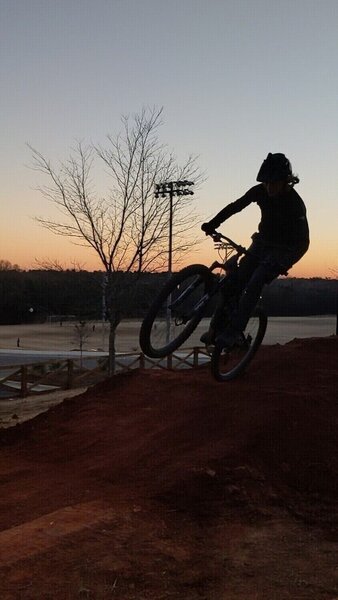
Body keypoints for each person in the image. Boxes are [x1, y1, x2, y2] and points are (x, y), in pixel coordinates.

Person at [201, 153, 310, 348]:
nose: (269, 188)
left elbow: (303, 243)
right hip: (262, 242)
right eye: (266, 183)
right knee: (234, 281)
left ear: (286, 181)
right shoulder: (260, 191)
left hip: (285, 249)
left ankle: (235, 332)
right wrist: (213, 223)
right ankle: (214, 329)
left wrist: (284, 262)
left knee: (256, 279)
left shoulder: (295, 204)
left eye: (274, 183)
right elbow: (236, 207)